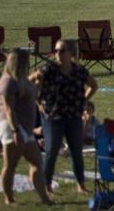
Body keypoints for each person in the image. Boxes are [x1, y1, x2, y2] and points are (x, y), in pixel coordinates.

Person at [32, 38, 98, 195]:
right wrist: (40, 103)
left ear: (70, 53)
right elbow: (32, 84)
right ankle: (47, 186)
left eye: (61, 51)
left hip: (74, 116)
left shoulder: (79, 70)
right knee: (52, 152)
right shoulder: (49, 69)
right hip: (53, 117)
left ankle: (81, 186)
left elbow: (93, 85)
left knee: (76, 152)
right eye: (56, 51)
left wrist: (84, 100)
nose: (57, 54)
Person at [0, 48, 51, 205]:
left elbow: (33, 94)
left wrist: (39, 83)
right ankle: (9, 199)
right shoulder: (8, 82)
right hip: (11, 126)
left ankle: (45, 199)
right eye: (26, 60)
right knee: (11, 165)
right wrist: (15, 131)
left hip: (25, 129)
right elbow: (9, 109)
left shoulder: (22, 79)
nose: (28, 63)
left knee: (37, 162)